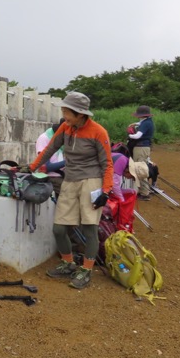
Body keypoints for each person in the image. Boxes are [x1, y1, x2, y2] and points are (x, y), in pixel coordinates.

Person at [28, 91, 113, 290]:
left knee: (89, 228)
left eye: (67, 111)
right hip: (70, 180)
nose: (64, 115)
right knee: (59, 228)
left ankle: (86, 270)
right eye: (64, 110)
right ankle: (68, 263)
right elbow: (49, 149)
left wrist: (106, 191)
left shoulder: (98, 132)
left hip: (91, 181)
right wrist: (31, 167)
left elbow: (107, 164)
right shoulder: (66, 128)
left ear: (80, 114)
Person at [128, 105, 155, 200]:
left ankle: (144, 193)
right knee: (142, 168)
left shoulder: (145, 123)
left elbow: (137, 136)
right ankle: (144, 191)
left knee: (139, 169)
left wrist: (130, 135)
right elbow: (141, 124)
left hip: (140, 147)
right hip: (144, 147)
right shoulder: (148, 122)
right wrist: (135, 124)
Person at [34, 118, 65, 198]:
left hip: (63, 175)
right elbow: (46, 167)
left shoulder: (63, 139)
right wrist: (67, 162)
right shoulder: (44, 138)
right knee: (71, 193)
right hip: (51, 177)